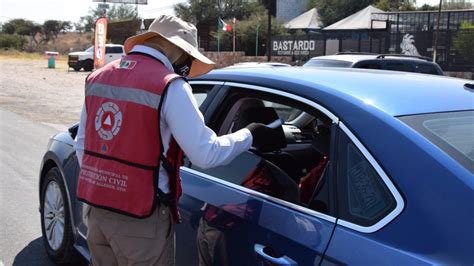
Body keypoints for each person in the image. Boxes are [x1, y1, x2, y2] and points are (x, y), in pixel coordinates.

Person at [74, 14, 275, 265]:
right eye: (188, 58)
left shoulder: (99, 77)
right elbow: (206, 153)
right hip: (140, 221)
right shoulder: (169, 85)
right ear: (178, 49)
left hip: (96, 212)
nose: (188, 65)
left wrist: (107, 186)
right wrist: (251, 134)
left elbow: (82, 145)